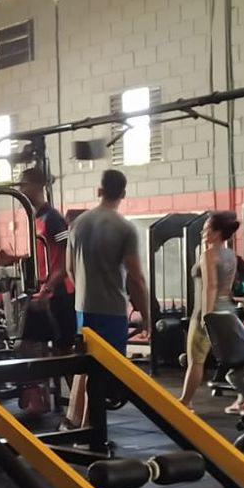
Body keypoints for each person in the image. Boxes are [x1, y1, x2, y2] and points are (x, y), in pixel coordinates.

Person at [64, 169, 150, 427]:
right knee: (103, 374)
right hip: (111, 310)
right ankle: (91, 432)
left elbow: (70, 269)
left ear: (99, 191)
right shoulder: (125, 228)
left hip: (82, 308)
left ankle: (74, 421)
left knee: (84, 365)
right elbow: (135, 277)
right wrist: (146, 315)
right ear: (123, 193)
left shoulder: (77, 223)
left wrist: (85, 292)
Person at [0, 166, 75, 416]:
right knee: (27, 342)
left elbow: (67, 259)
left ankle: (80, 404)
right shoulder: (36, 219)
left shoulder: (53, 219)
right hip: (43, 292)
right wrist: (13, 258)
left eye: (24, 184)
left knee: (64, 351)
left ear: (37, 185)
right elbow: (42, 255)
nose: (21, 189)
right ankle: (38, 395)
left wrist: (49, 288)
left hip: (59, 293)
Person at [179, 211, 241, 410]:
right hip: (228, 312)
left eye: (206, 229)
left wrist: (206, 316)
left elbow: (210, 286)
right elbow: (227, 287)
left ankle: (185, 402)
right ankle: (243, 401)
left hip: (207, 311)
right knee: (236, 359)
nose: (202, 232)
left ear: (216, 232)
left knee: (196, 360)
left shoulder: (208, 255)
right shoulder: (231, 255)